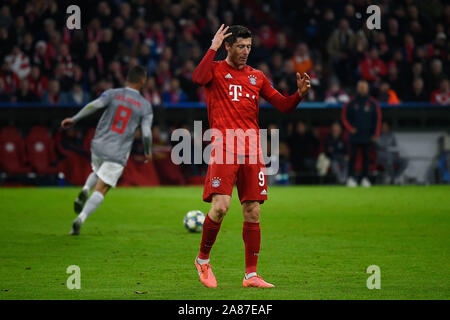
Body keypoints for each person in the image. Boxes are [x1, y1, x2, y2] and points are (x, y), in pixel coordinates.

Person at [191, 24, 310, 288]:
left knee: (253, 211)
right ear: (228, 46)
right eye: (241, 46)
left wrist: (298, 96)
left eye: (249, 47)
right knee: (220, 207)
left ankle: (251, 275)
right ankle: (202, 259)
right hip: (224, 146)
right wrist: (211, 47)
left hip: (251, 149)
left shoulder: (257, 76)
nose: (246, 51)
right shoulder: (215, 70)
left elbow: (282, 105)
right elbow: (197, 78)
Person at [60, 65, 153, 235]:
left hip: (98, 145)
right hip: (118, 151)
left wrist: (74, 119)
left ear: (127, 79)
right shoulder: (145, 105)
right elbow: (146, 133)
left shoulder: (112, 93)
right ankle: (81, 218)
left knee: (97, 171)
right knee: (102, 188)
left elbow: (93, 105)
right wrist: (147, 151)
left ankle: (85, 190)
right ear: (142, 81)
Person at [341, 80, 381, 187]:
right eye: (361, 87)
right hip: (354, 136)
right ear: (357, 88)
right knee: (352, 158)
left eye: (364, 87)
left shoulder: (373, 103)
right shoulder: (351, 102)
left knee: (366, 158)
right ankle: (350, 178)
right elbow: (344, 117)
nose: (362, 89)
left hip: (367, 136)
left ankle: (365, 178)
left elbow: (377, 119)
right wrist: (350, 129)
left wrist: (375, 134)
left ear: (368, 89)